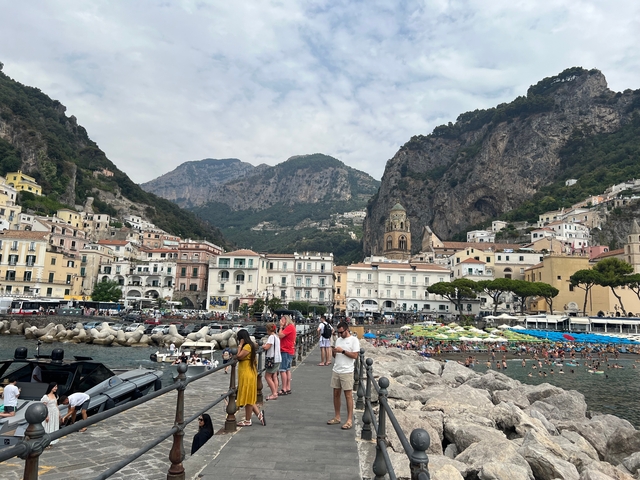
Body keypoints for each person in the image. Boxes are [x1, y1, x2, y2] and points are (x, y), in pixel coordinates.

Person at [327, 321, 360, 430]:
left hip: (347, 370)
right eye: (338, 332)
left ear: (347, 330)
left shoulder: (354, 340)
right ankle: (337, 416)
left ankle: (349, 419)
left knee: (348, 395)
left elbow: (355, 355)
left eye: (341, 332)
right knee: (336, 393)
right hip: (337, 369)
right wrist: (334, 351)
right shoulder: (338, 340)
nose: (340, 334)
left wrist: (343, 351)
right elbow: (336, 356)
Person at [235, 329, 265, 427]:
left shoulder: (247, 346)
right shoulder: (251, 345)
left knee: (248, 397)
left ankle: (248, 420)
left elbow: (238, 356)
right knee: (250, 398)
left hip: (247, 374)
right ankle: (259, 415)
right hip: (249, 373)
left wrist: (240, 344)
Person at [262, 322, 281, 400]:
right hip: (278, 358)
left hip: (272, 359)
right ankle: (275, 392)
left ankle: (274, 394)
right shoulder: (276, 337)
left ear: (269, 330)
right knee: (275, 376)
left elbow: (267, 347)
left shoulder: (271, 337)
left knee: (267, 376)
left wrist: (263, 345)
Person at [278, 315, 296, 396]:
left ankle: (284, 388)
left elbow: (280, 335)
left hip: (285, 350)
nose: (281, 321)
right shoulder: (292, 327)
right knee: (287, 369)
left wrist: (281, 327)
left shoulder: (289, 327)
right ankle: (288, 387)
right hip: (290, 350)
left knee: (283, 370)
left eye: (282, 320)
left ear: (286, 320)